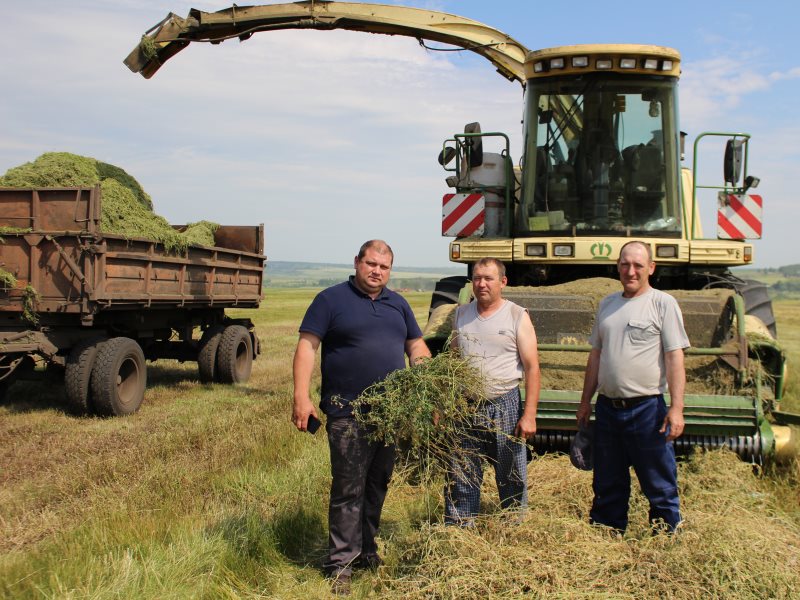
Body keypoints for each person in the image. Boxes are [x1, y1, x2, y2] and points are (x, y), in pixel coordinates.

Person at [292, 240, 430, 595]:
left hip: (390, 415)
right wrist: (301, 397)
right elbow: (307, 347)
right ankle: (340, 564)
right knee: (348, 488)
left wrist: (426, 377)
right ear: (356, 262)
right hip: (347, 412)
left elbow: (415, 345)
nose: (376, 271)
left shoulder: (397, 304)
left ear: (390, 270)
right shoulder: (330, 300)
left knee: (376, 485)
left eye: (384, 267)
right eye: (371, 264)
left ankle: (367, 551)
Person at [577, 240, 689, 534]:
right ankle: (607, 531)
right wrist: (585, 401)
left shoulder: (663, 304)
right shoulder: (607, 304)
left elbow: (674, 356)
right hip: (608, 408)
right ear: (617, 266)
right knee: (607, 479)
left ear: (651, 268)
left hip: (647, 409)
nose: (631, 271)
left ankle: (665, 534)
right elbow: (596, 355)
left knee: (658, 477)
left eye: (638, 265)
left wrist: (677, 408)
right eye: (625, 264)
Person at [445, 257, 541, 525]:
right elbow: (452, 363)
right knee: (462, 468)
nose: (482, 284)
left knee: (510, 469)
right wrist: (446, 403)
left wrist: (529, 414)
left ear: (503, 282)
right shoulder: (462, 315)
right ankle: (460, 525)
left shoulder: (516, 315)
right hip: (465, 404)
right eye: (477, 278)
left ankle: (512, 524)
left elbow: (533, 367)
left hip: (504, 402)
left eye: (488, 278)